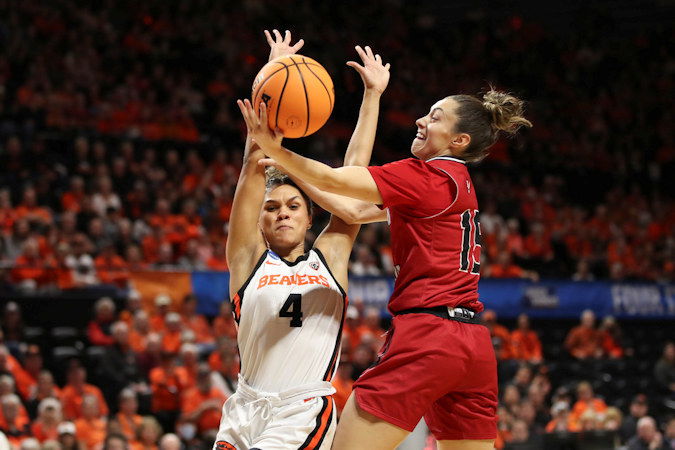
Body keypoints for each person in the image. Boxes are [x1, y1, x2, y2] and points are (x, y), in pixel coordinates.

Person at [242, 58, 532, 448]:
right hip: (474, 347)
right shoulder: (453, 184)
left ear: (458, 140)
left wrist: (278, 150)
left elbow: (334, 179)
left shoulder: (427, 176)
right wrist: (372, 97)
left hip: (428, 337)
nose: (420, 121)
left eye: (435, 117)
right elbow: (349, 208)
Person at [216, 30, 390, 450]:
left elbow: (353, 179)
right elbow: (254, 162)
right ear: (258, 219)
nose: (282, 214)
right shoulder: (246, 259)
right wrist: (272, 77)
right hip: (244, 407)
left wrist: (372, 97)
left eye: (293, 206)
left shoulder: (328, 256)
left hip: (303, 408)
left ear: (311, 217)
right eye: (272, 207)